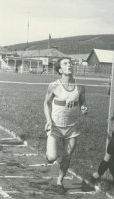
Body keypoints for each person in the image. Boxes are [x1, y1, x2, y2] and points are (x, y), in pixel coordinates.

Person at [44, 57, 88, 189]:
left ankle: (59, 181)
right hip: (55, 127)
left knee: (68, 155)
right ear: (60, 69)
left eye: (70, 63)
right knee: (52, 157)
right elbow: (46, 103)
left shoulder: (80, 87)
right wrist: (48, 120)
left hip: (71, 128)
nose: (69, 65)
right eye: (65, 63)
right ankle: (49, 155)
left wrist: (84, 108)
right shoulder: (54, 85)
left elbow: (83, 103)